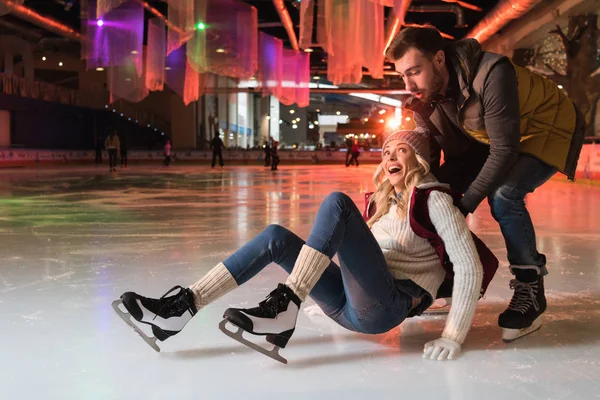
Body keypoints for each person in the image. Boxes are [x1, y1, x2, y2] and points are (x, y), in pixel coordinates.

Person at [112, 128, 484, 362]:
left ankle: (285, 305)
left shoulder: (435, 201)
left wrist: (453, 335)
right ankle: (184, 306)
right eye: (386, 152)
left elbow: (469, 266)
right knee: (276, 236)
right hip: (349, 305)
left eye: (400, 150)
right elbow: (359, 266)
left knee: (337, 203)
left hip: (386, 307)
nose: (389, 158)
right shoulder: (383, 205)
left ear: (420, 159)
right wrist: (328, 300)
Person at [386, 25, 585, 342]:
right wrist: (419, 188)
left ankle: (529, 286)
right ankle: (445, 276)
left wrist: (464, 205)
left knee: (505, 195)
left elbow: (505, 152)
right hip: (493, 137)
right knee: (434, 191)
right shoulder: (426, 97)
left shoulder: (492, 72)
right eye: (402, 76)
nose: (408, 85)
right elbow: (435, 163)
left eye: (414, 72)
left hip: (548, 125)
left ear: (439, 59)